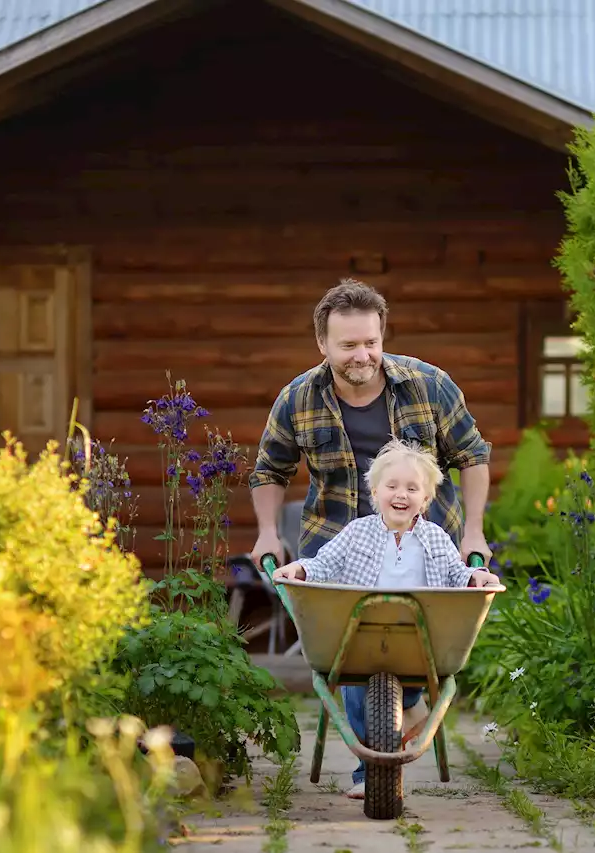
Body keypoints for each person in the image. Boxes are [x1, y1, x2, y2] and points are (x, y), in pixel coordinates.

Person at [249, 278, 495, 798]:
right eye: (348, 346)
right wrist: (270, 535)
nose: (363, 355)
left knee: (407, 655)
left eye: (371, 342)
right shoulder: (298, 398)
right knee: (355, 657)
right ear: (322, 344)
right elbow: (268, 470)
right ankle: (378, 761)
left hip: (425, 552)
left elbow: (472, 455)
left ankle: (403, 712)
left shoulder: (428, 385)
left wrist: (473, 532)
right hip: (339, 548)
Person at [270, 438, 500, 799]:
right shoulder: (357, 532)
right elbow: (324, 564)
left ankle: (409, 707)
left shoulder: (436, 538)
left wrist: (477, 577)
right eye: (392, 486)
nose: (401, 495)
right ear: (375, 492)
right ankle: (369, 772)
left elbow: (457, 575)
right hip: (359, 641)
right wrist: (299, 569)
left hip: (418, 644)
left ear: (425, 500)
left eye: (412, 489)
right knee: (355, 687)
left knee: (393, 689)